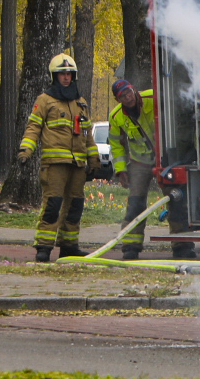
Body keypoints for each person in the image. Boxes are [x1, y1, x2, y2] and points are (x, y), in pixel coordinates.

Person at [18, 53, 100, 262]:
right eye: (62, 74)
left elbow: (87, 134)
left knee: (75, 205)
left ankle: (69, 246)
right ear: (54, 76)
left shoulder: (80, 102)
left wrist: (94, 160)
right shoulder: (45, 100)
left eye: (69, 74)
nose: (66, 77)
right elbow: (33, 127)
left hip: (77, 164)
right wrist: (25, 151)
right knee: (53, 204)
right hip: (54, 164)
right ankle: (43, 247)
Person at [107, 78, 157, 260]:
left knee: (176, 200)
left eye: (129, 92)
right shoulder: (116, 117)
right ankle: (130, 247)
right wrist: (121, 170)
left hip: (165, 159)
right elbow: (116, 146)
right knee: (135, 203)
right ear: (117, 100)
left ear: (134, 89)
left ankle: (182, 247)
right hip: (139, 162)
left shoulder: (153, 97)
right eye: (123, 96)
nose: (128, 98)